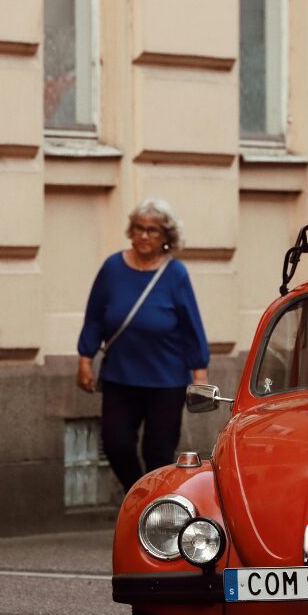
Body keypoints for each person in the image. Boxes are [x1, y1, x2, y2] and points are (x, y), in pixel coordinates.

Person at [76, 199, 210, 492]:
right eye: (139, 228)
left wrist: (200, 374)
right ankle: (140, 495)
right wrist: (85, 357)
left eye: (152, 230)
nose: (144, 235)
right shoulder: (112, 267)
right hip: (120, 376)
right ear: (131, 231)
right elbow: (95, 315)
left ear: (166, 237)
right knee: (116, 444)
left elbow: (191, 325)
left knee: (158, 453)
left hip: (167, 379)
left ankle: (152, 507)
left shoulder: (175, 274)